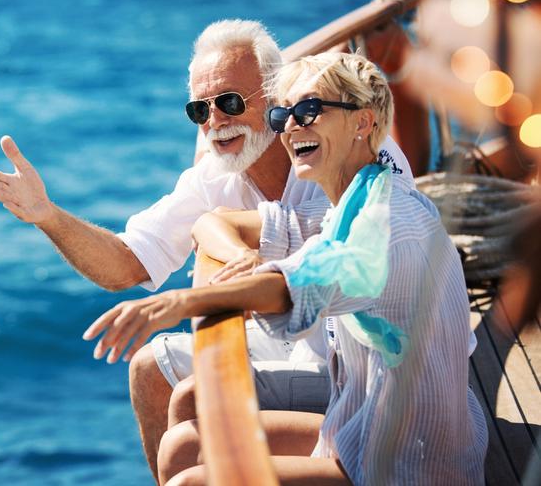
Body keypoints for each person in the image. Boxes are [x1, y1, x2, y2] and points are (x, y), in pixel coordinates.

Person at [0, 19, 414, 481]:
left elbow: (336, 263)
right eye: (199, 111)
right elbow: (127, 262)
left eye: (228, 103)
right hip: (292, 343)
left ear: (276, 98)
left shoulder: (345, 156)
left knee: (192, 428)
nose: (214, 123)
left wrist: (199, 292)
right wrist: (48, 216)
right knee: (150, 369)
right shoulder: (213, 178)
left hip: (364, 364)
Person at [83, 51, 488, 485]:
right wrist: (245, 257)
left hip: (410, 461)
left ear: (363, 123)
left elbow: (290, 290)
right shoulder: (352, 200)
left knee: (191, 481)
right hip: (364, 423)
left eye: (310, 110)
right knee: (185, 443)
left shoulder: (386, 228)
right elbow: (218, 221)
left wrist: (180, 302)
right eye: (284, 114)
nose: (292, 127)